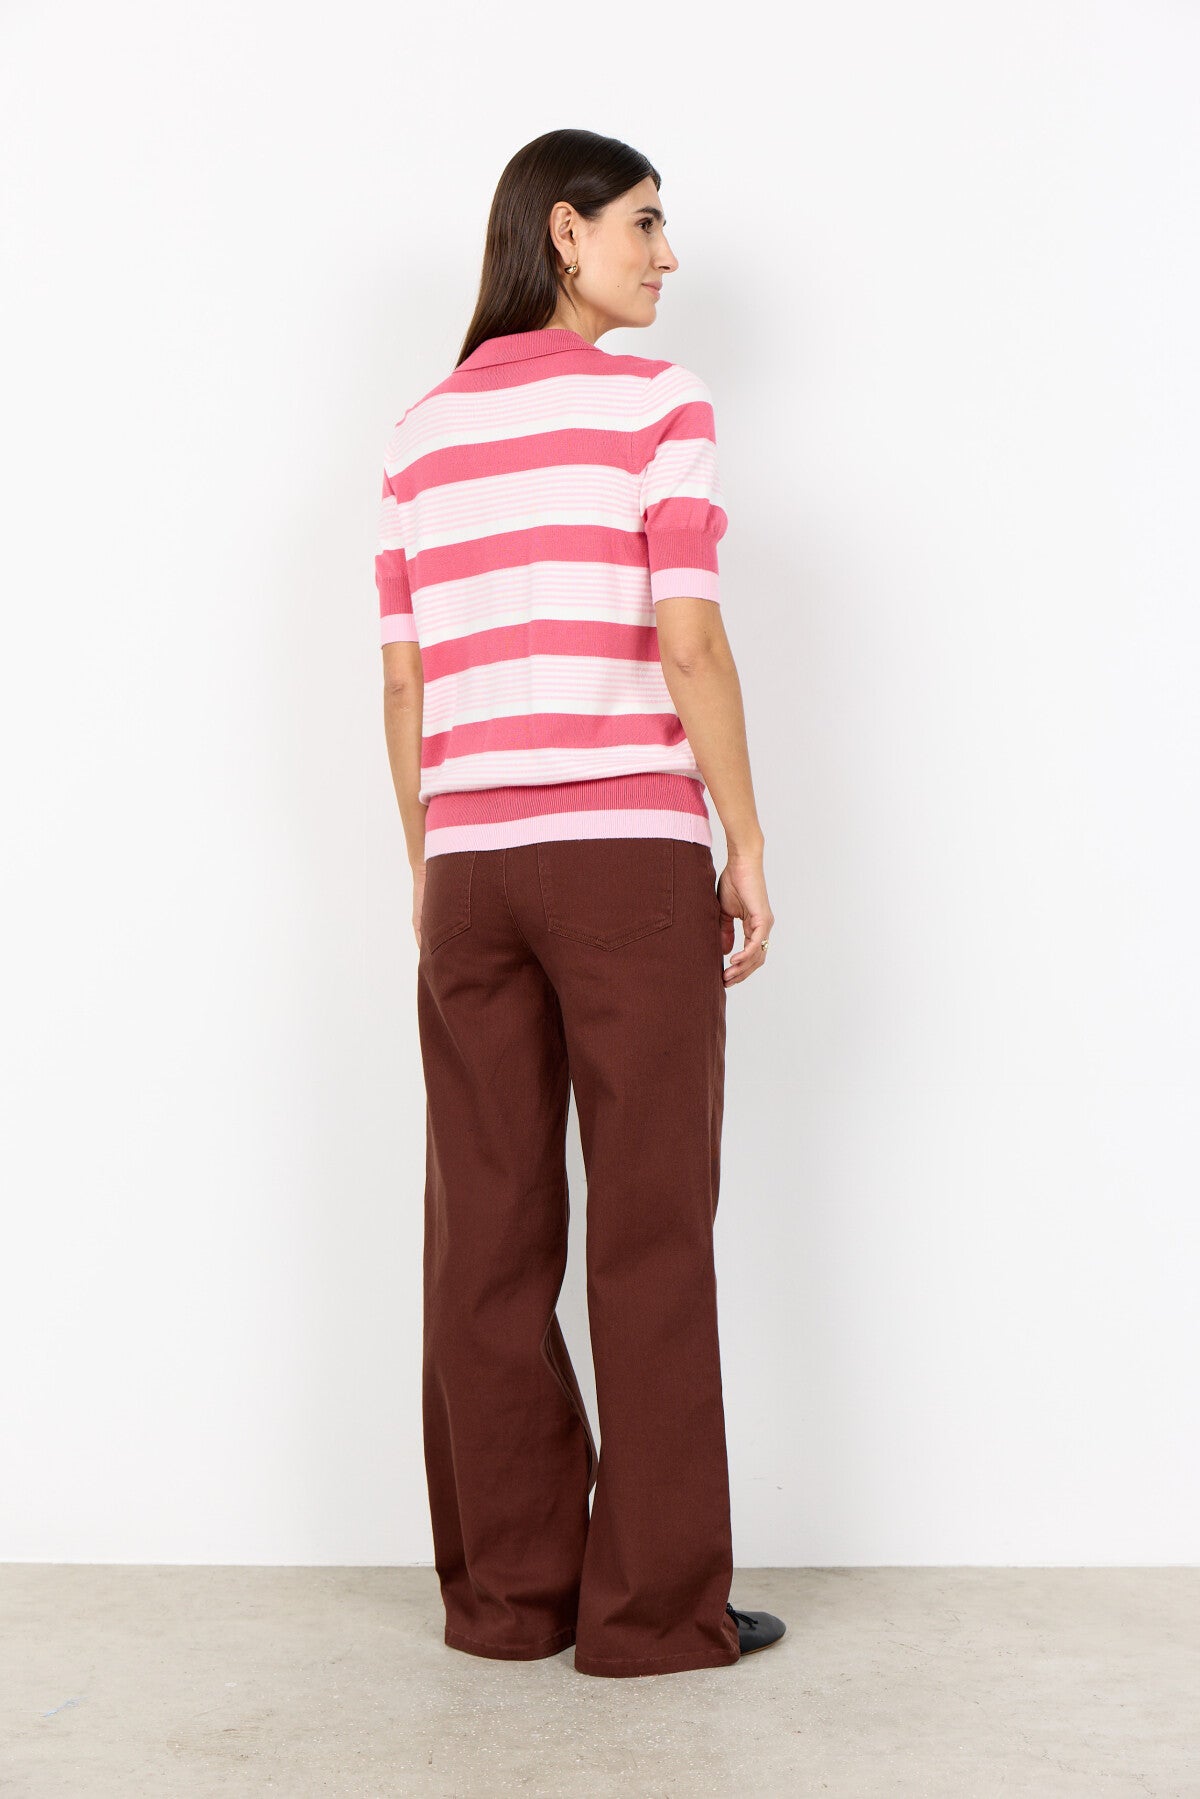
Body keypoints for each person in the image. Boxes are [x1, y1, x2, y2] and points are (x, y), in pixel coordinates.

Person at [374, 127, 783, 1678]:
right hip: (623, 859)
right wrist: (743, 836)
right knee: (651, 1230)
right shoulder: (657, 404)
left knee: (483, 1235)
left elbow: (405, 682)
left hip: (470, 871)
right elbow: (689, 639)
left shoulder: (418, 433)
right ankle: (653, 1614)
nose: (667, 256)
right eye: (645, 225)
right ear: (565, 232)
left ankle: (512, 1599)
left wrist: (431, 868)